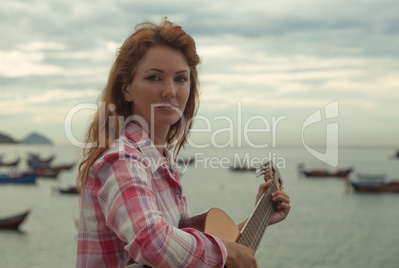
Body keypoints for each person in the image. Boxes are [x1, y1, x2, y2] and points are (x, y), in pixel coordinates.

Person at [76, 17, 290, 268]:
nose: (170, 91)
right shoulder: (123, 159)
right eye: (155, 77)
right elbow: (151, 242)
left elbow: (183, 246)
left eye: (180, 79)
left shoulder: (162, 162)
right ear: (126, 90)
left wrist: (259, 218)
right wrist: (226, 253)